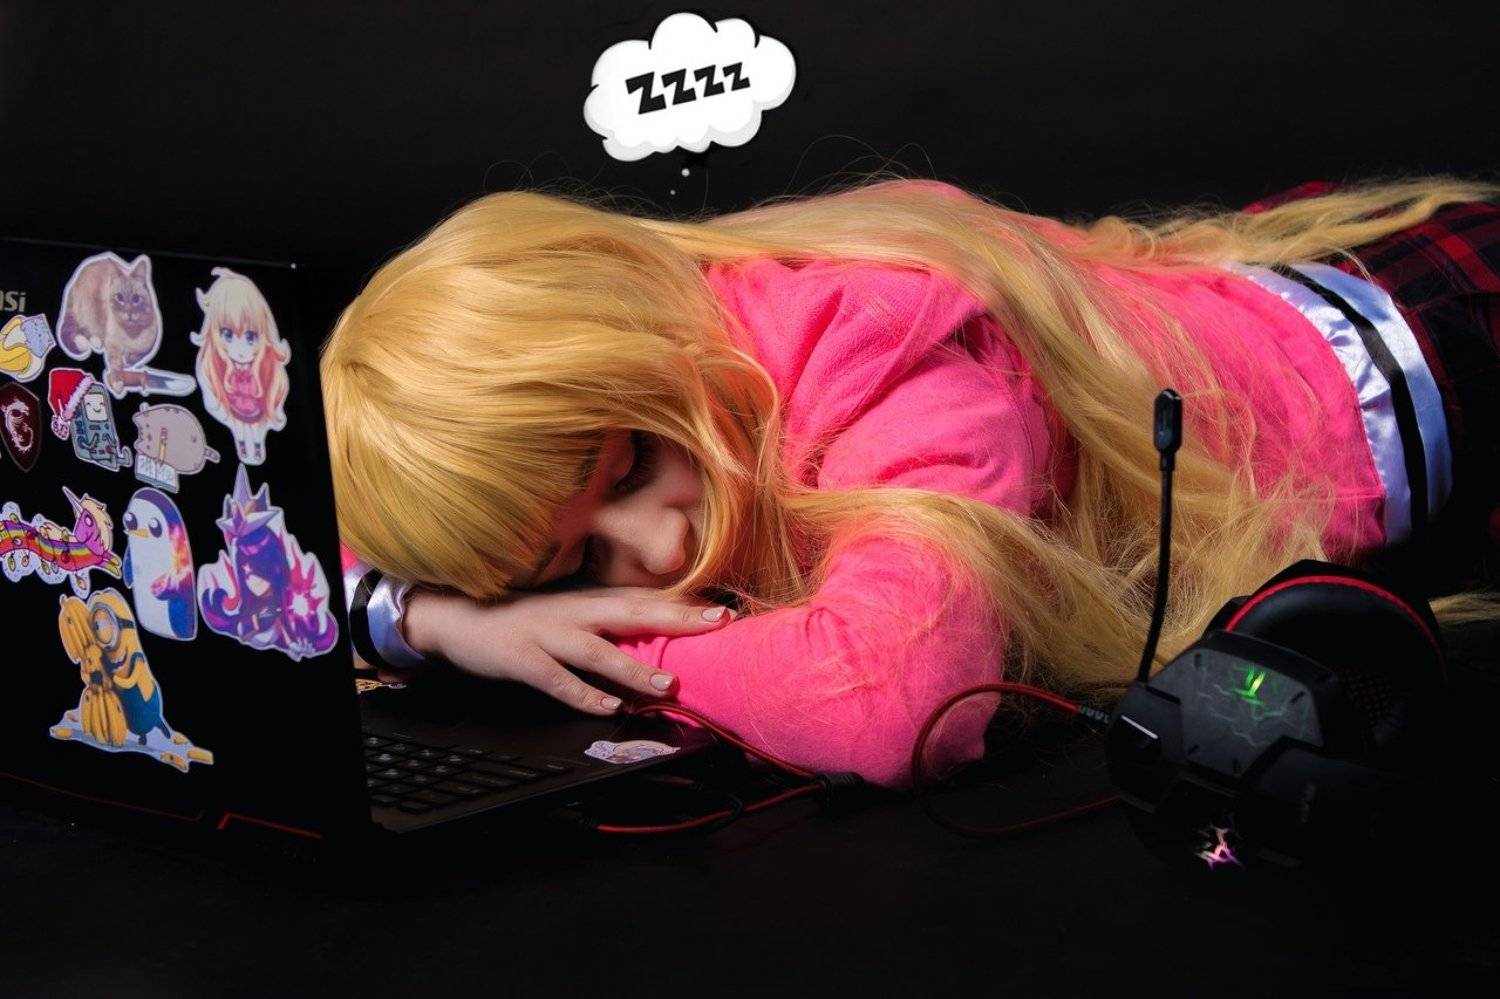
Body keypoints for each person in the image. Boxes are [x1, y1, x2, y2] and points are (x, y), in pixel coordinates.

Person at [320, 174, 1500, 790]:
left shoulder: (886, 360)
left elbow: (894, 705)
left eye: (633, 464)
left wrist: (612, 640)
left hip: (1436, 360)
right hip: (1245, 308)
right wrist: (444, 621)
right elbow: (317, 563)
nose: (661, 551)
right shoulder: (676, 362)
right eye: (581, 560)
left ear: (646, 339)